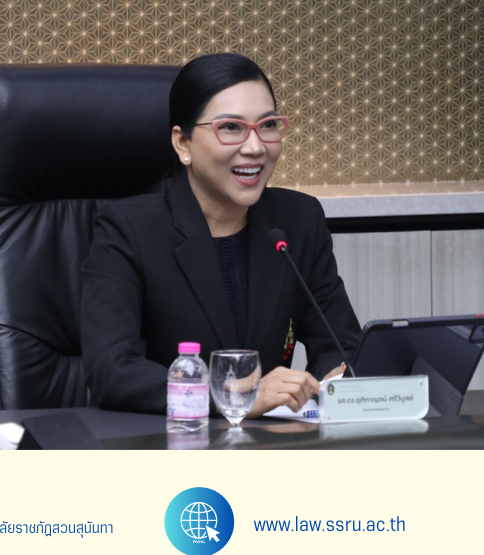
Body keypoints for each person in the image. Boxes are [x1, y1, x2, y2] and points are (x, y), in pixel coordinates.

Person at [80, 53, 361, 417]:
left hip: (272, 441)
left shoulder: (298, 220)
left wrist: (334, 381)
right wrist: (235, 396)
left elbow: (340, 345)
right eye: (231, 127)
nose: (255, 147)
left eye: (268, 125)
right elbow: (112, 370)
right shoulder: (128, 228)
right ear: (183, 143)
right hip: (169, 440)